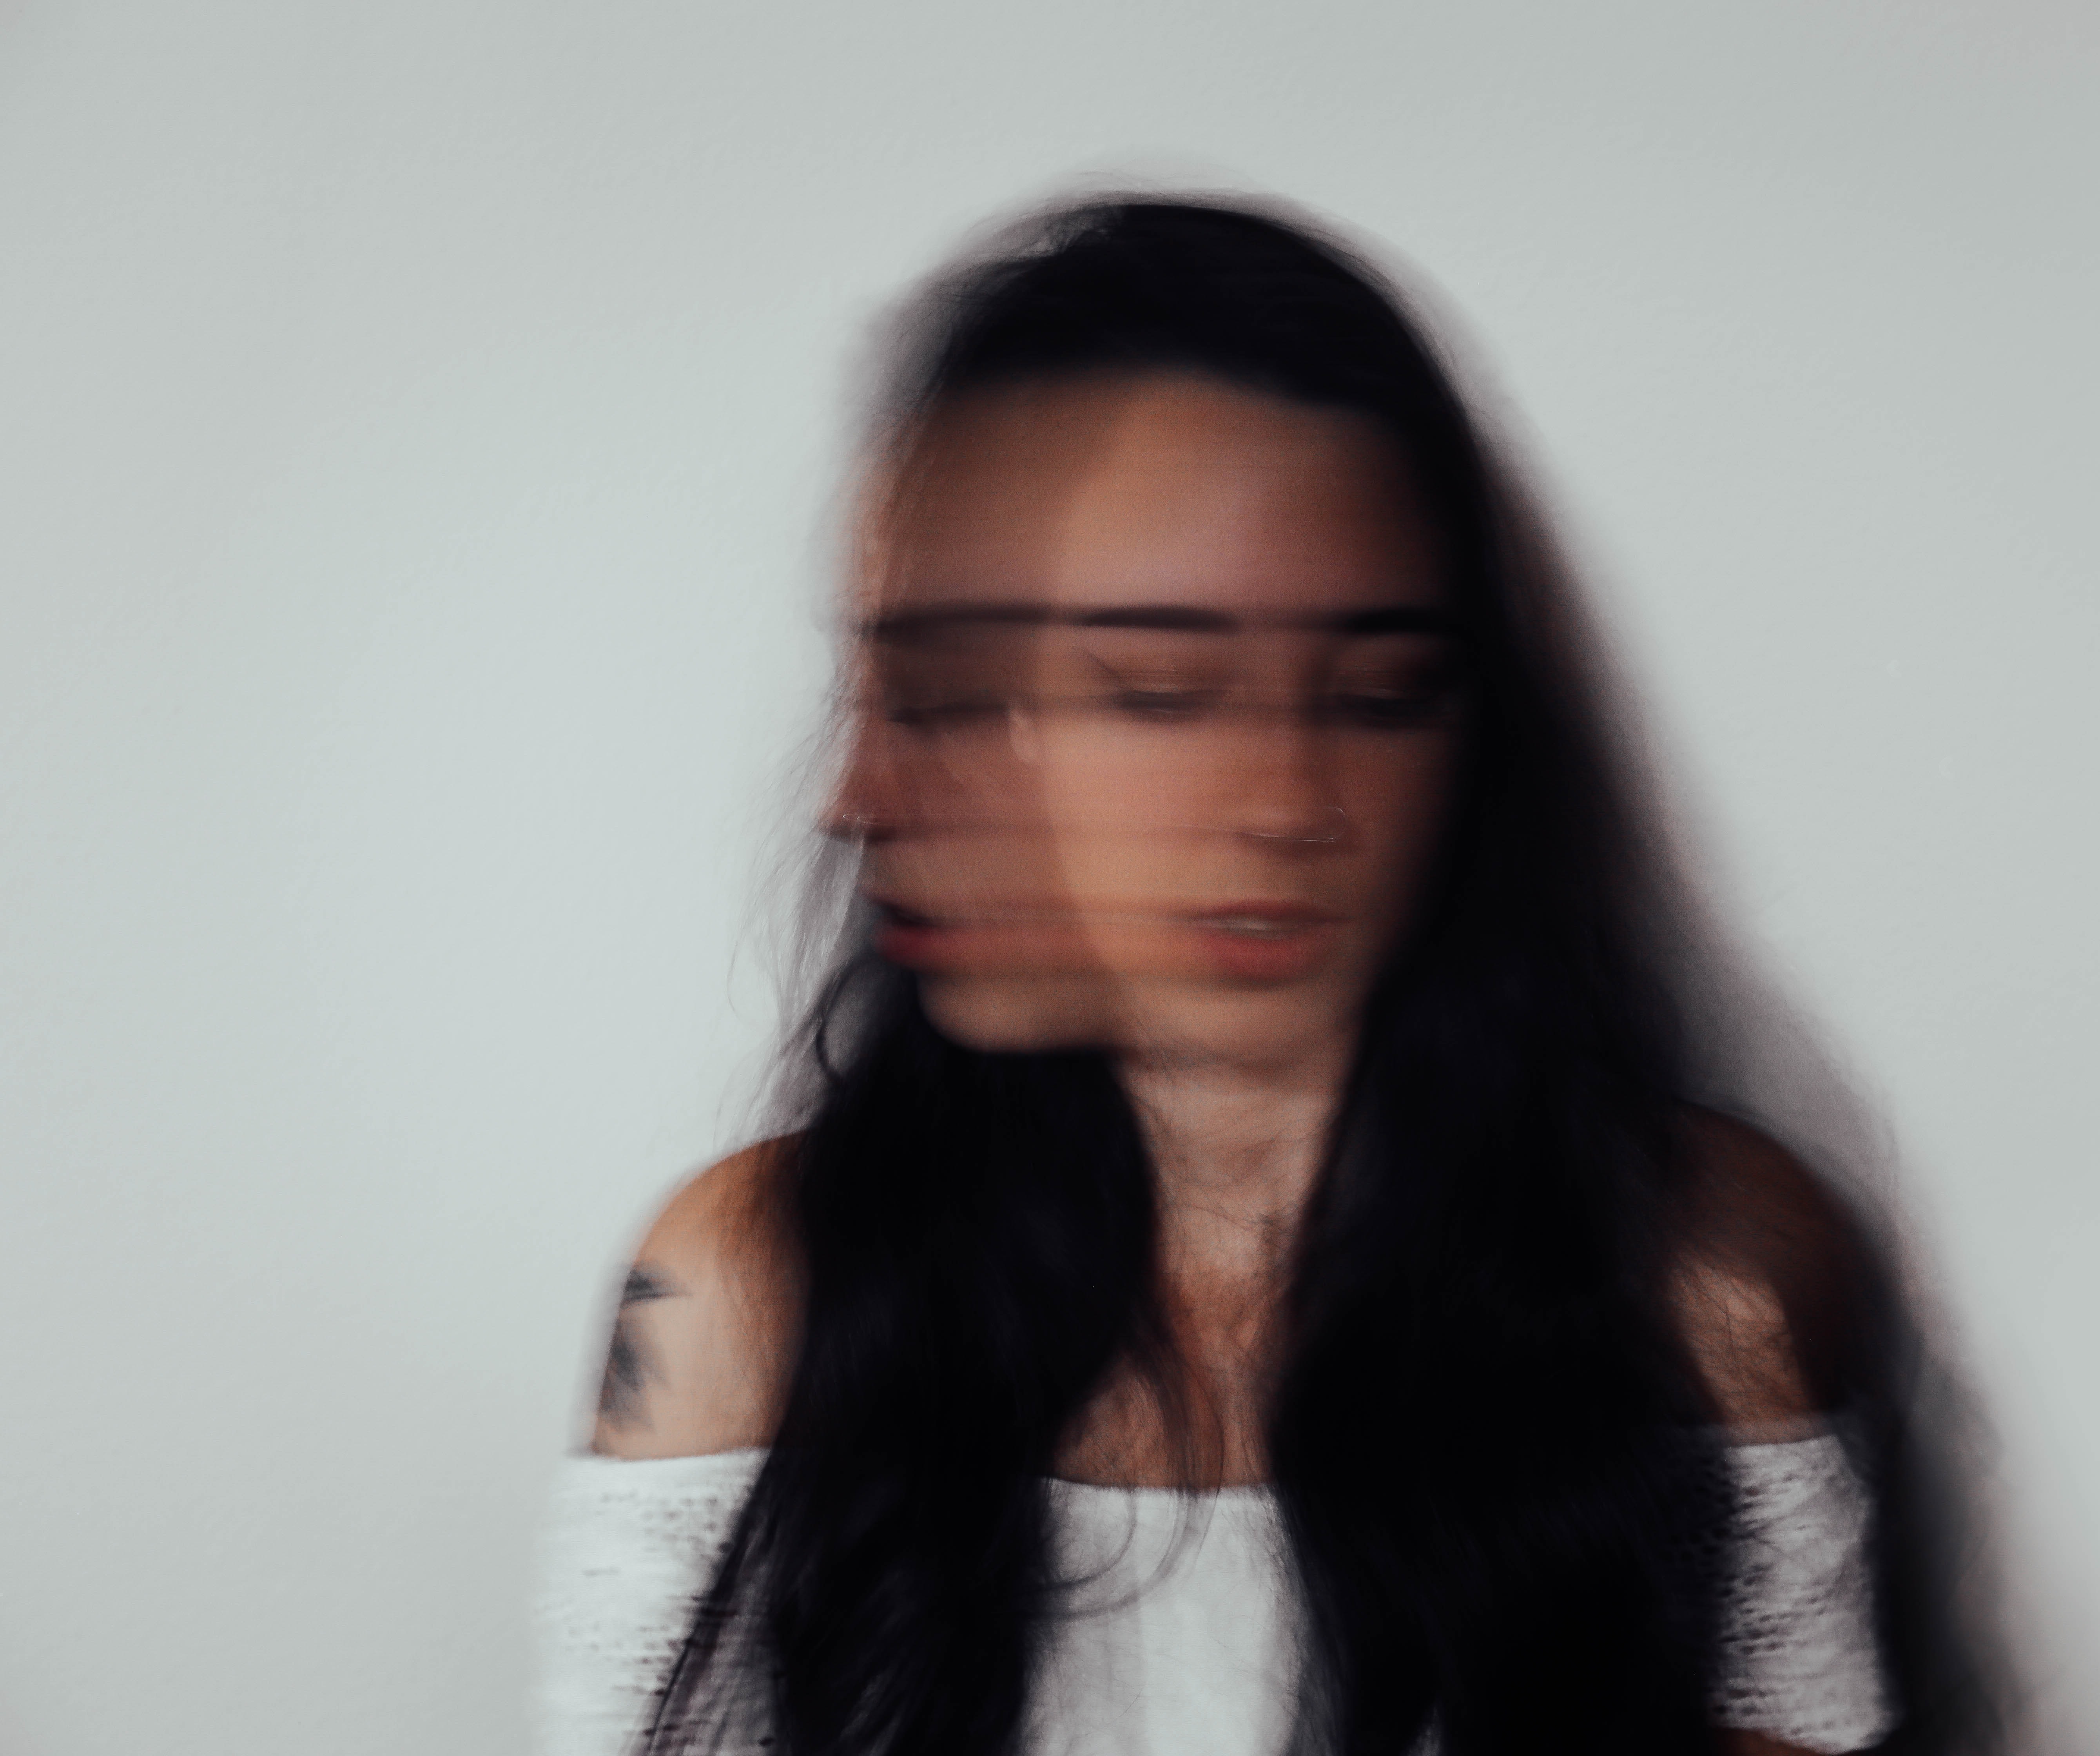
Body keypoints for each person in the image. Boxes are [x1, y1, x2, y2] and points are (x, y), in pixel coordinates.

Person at [534, 198, 2001, 1756]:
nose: (1292, 803)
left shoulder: (1712, 1274)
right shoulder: (747, 1295)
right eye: (1165, 690)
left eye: (1379, 693)